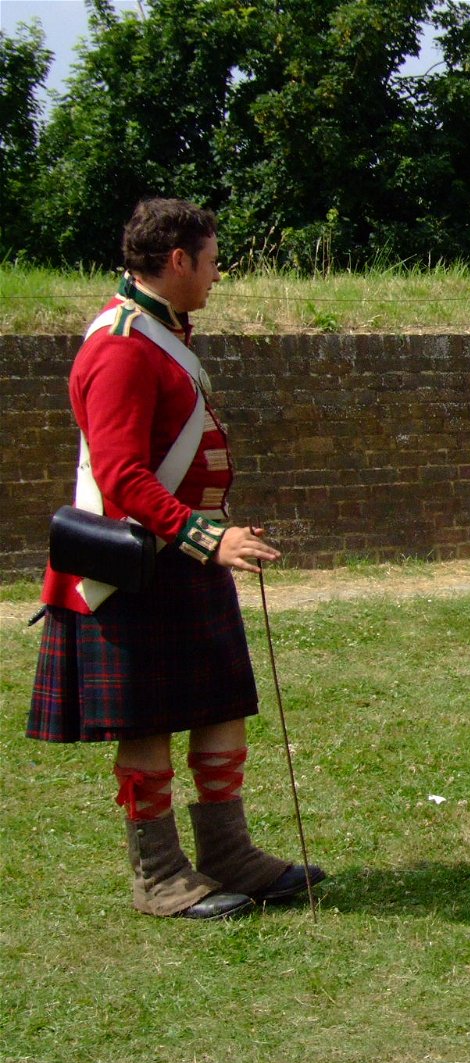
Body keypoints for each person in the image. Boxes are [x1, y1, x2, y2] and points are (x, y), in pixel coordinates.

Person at [27, 198, 324, 920]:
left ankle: (229, 854)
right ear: (180, 260)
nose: (219, 274)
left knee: (222, 703)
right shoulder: (122, 346)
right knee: (149, 721)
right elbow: (125, 476)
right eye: (214, 259)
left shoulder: (161, 333)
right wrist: (207, 535)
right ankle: (159, 873)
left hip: (183, 555)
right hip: (135, 564)